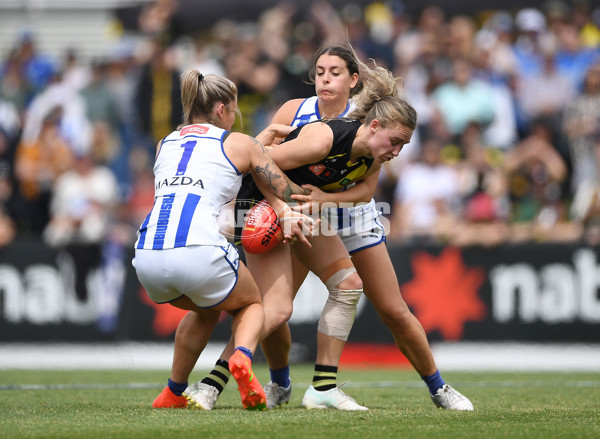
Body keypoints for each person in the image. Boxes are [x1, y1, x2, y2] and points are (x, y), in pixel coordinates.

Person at [187, 42, 473, 411]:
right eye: (320, 71)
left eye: (334, 72)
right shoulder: (314, 124)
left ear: (354, 80)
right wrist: (278, 205)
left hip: (337, 214)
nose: (325, 79)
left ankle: (435, 388)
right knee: (275, 308)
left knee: (388, 307)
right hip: (286, 210)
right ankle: (238, 384)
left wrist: (325, 200)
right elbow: (257, 162)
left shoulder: (372, 128)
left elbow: (368, 187)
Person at [134, 70, 315, 411]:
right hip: (199, 251)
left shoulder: (164, 143)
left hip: (148, 258)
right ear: (221, 110)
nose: (236, 116)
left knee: (205, 308)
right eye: (234, 109)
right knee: (255, 304)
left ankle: (173, 391)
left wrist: (256, 146)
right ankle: (242, 359)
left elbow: (217, 164)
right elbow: (289, 192)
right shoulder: (241, 143)